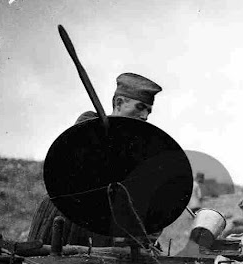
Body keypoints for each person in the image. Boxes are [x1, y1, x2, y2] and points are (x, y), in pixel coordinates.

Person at [28, 73, 162, 247]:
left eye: (148, 111)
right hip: (67, 213)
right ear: (119, 103)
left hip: (100, 222)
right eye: (140, 107)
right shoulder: (89, 122)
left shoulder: (139, 147)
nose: (144, 116)